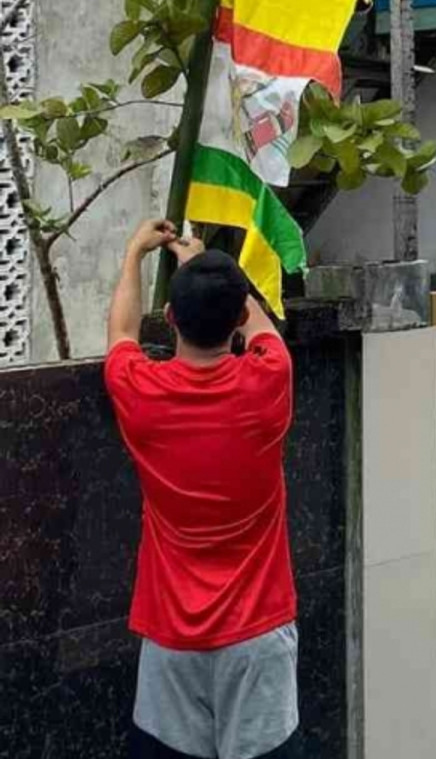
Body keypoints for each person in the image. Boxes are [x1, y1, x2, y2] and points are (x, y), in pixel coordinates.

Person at [105, 220, 299, 759]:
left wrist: (134, 255)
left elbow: (120, 334)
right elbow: (265, 335)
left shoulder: (142, 394)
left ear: (168, 318)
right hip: (259, 639)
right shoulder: (268, 383)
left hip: (171, 643)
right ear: (238, 318)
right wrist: (209, 265)